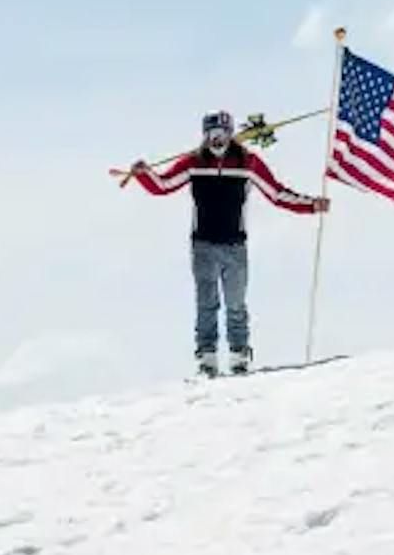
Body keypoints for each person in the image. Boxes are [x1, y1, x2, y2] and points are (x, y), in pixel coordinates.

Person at [129, 110, 329, 376]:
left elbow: (277, 194)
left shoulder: (247, 163)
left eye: (222, 133)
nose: (217, 139)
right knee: (206, 302)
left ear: (231, 134)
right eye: (212, 134)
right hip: (203, 246)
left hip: (235, 246)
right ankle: (207, 358)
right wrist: (144, 174)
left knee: (236, 303)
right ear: (205, 136)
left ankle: (239, 355)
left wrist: (311, 205)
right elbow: (163, 185)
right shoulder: (193, 163)